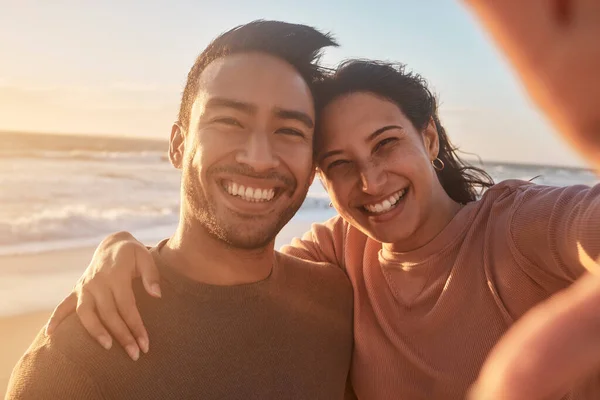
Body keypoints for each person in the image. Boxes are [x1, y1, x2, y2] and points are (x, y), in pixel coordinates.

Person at [44, 3, 600, 399]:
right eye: (339, 164)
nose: (372, 180)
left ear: (428, 138)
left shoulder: (516, 226)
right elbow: (235, 271)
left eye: (386, 144)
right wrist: (117, 246)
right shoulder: (342, 256)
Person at [6, 20, 355, 400]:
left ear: (311, 169)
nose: (258, 159)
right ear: (177, 145)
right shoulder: (74, 361)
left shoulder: (336, 300)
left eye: (289, 131)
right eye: (229, 121)